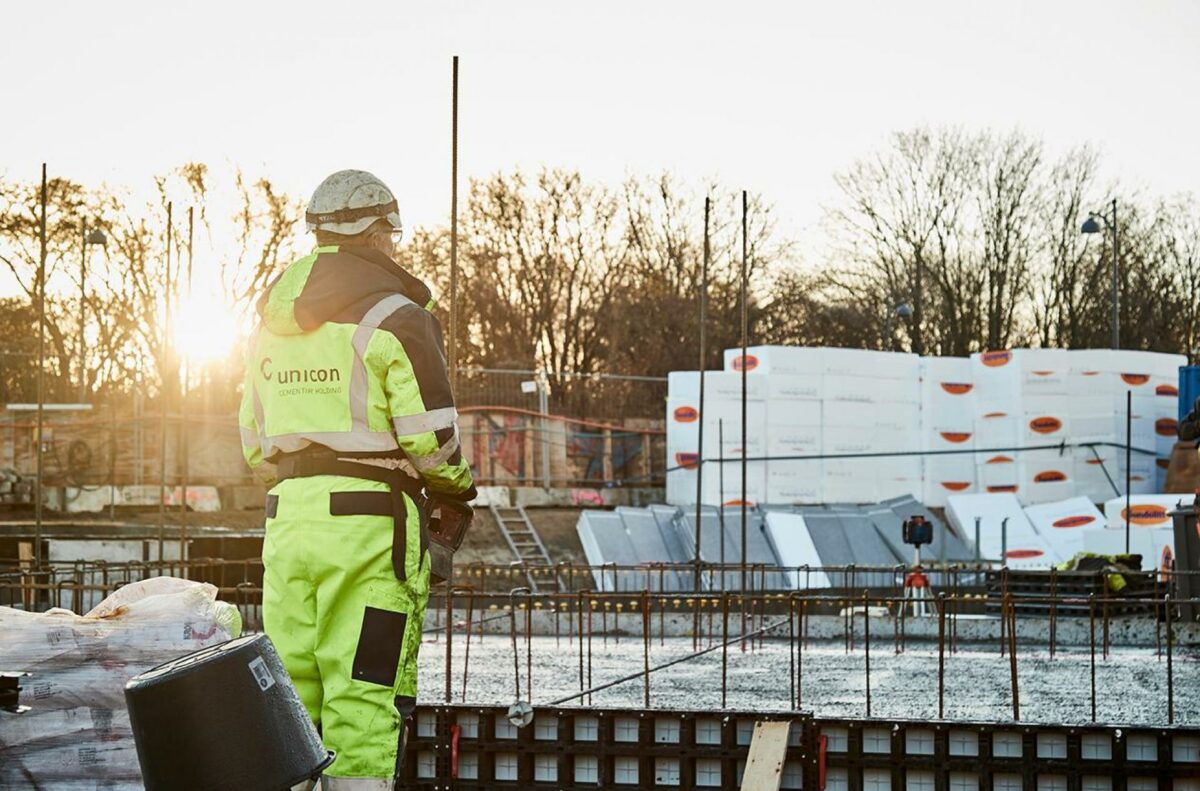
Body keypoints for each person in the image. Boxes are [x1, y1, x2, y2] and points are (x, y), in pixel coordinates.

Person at [239, 169, 476, 790]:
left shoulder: (269, 325)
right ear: (376, 233)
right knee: (365, 690)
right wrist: (453, 491)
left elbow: (252, 441)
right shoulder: (398, 317)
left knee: (289, 694)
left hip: (287, 520)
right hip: (371, 527)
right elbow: (431, 435)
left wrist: (299, 480)